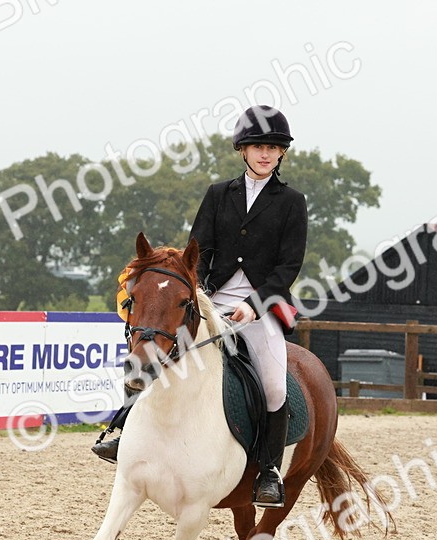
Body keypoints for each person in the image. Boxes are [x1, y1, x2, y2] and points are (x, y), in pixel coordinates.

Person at [93, 105, 308, 509]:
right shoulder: (217, 194)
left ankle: (268, 471)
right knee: (155, 346)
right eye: (258, 146)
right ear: (242, 150)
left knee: (275, 385)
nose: (265, 154)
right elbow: (199, 252)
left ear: (282, 154)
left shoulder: (292, 202)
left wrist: (253, 305)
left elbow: (288, 266)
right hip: (209, 298)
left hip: (260, 307)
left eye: (273, 148)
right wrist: (198, 295)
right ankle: (122, 431)